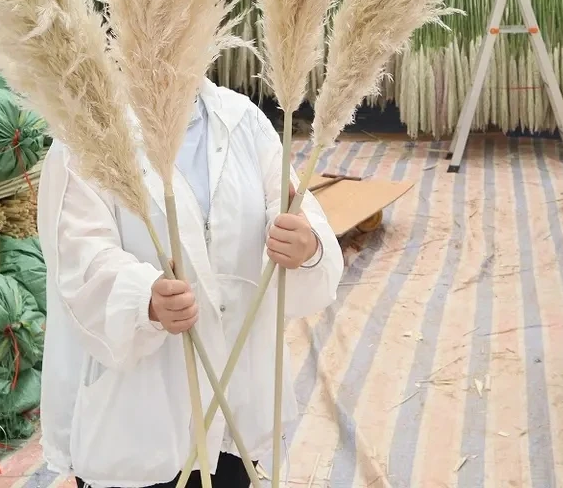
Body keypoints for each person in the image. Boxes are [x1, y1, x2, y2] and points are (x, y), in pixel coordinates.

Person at [38, 78, 344, 488]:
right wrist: (144, 299)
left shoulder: (243, 121)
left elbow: (291, 204)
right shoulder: (88, 130)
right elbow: (79, 256)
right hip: (138, 424)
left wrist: (306, 243)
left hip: (234, 411)